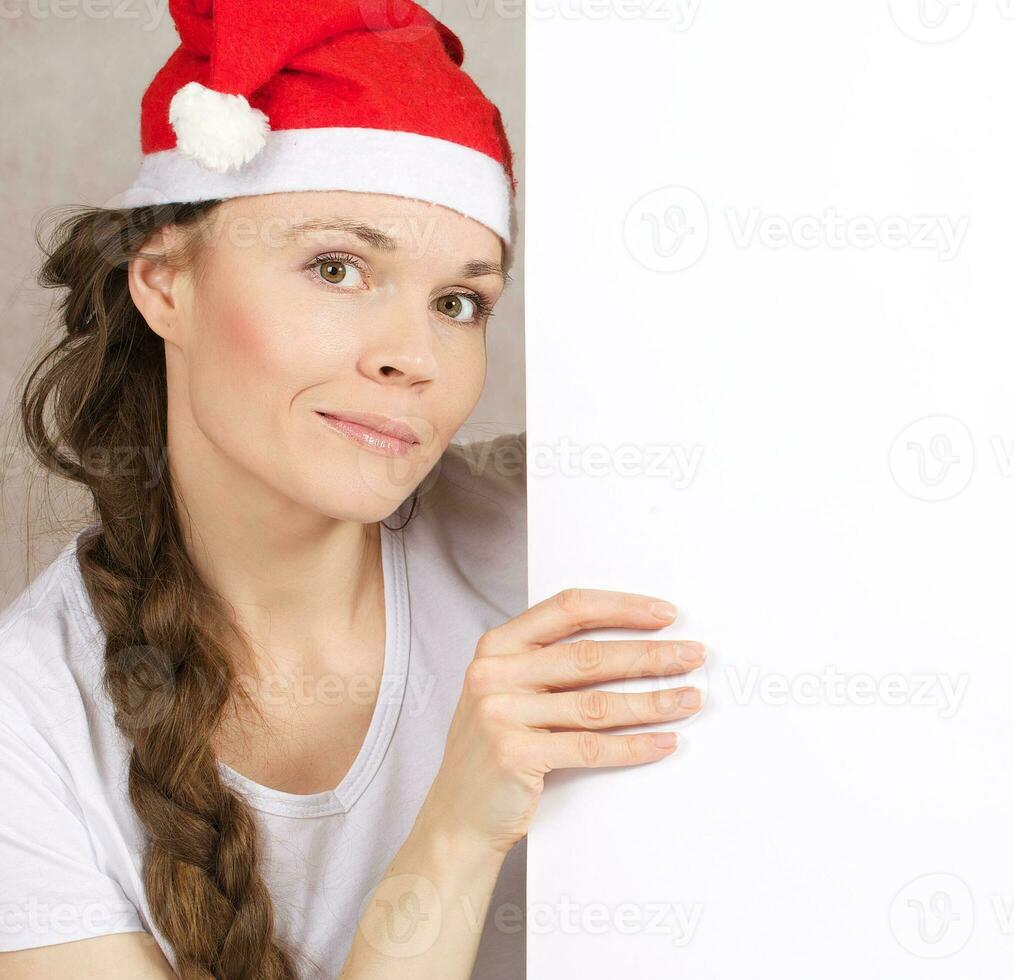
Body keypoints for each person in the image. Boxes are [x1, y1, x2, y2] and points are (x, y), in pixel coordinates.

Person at [0, 2, 705, 978]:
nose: (414, 357)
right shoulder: (26, 726)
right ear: (164, 282)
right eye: (336, 267)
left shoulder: (582, 546)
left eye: (459, 302)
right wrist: (453, 837)